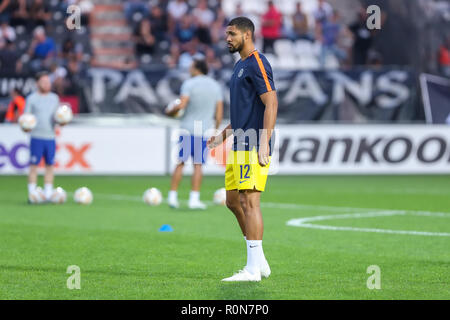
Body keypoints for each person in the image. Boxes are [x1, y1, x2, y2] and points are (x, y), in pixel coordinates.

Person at [207, 17, 278, 282]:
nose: (227, 38)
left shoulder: (258, 62)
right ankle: (259, 260)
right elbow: (241, 113)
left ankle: (252, 270)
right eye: (226, 33)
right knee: (232, 201)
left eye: (232, 33)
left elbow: (271, 103)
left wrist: (264, 142)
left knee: (250, 201)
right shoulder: (240, 66)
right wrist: (221, 138)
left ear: (247, 35)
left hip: (252, 144)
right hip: (238, 144)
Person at [166, 59, 223, 210]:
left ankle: (172, 196)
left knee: (181, 162)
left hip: (187, 128)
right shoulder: (215, 86)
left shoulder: (189, 84)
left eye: (191, 67)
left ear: (197, 69)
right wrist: (216, 130)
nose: (189, 69)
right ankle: (194, 199)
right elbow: (219, 113)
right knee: (198, 165)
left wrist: (170, 112)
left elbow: (182, 104)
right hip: (203, 130)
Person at [25, 72, 60, 202]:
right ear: (37, 83)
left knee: (50, 165)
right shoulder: (31, 98)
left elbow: (57, 117)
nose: (47, 84)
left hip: (50, 136)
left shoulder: (54, 98)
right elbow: (26, 118)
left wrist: (62, 120)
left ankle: (48, 193)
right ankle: (32, 193)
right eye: (44, 81)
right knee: (34, 165)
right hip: (37, 136)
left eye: (48, 81)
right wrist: (26, 125)